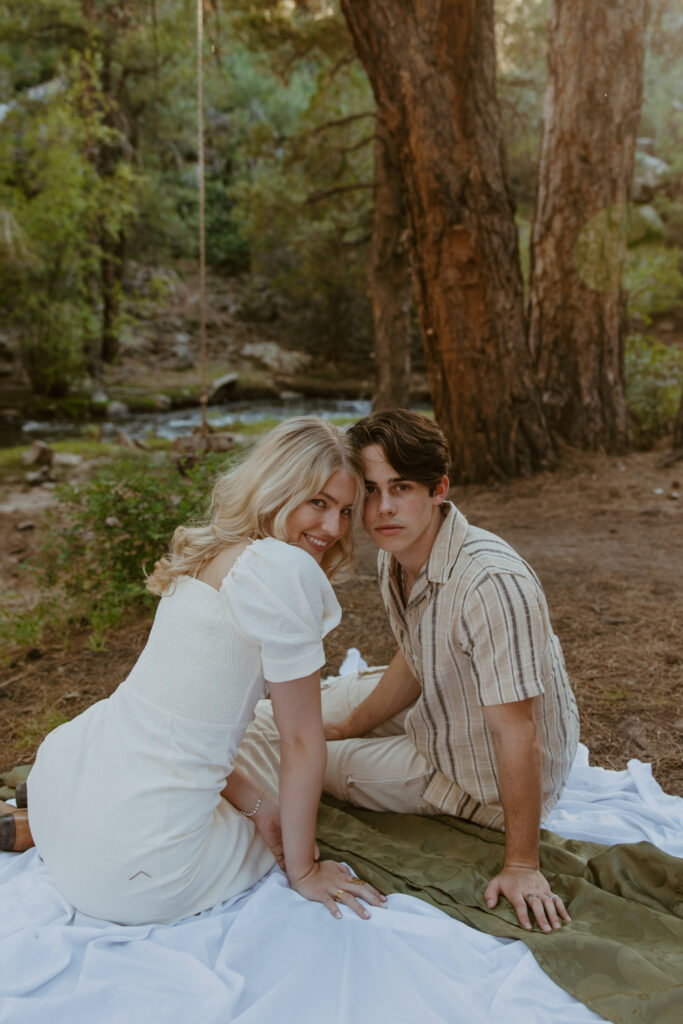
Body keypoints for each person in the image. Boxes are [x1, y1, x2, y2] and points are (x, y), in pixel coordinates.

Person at [0, 417, 385, 925]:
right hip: (138, 879)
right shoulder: (283, 570)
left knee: (254, 769)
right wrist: (305, 869)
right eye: (318, 503)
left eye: (346, 511)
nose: (334, 529)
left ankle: (36, 825)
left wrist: (256, 804)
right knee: (281, 762)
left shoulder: (213, 549)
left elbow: (191, 718)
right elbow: (301, 742)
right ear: (278, 487)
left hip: (65, 786)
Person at [234, 410, 579, 934]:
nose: (382, 509)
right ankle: (339, 733)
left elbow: (519, 732)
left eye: (402, 487)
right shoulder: (397, 556)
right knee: (283, 719)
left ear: (439, 489)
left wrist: (522, 865)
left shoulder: (490, 585)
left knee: (302, 757)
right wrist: (350, 722)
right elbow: (418, 656)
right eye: (369, 491)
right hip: (444, 706)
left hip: (474, 774)